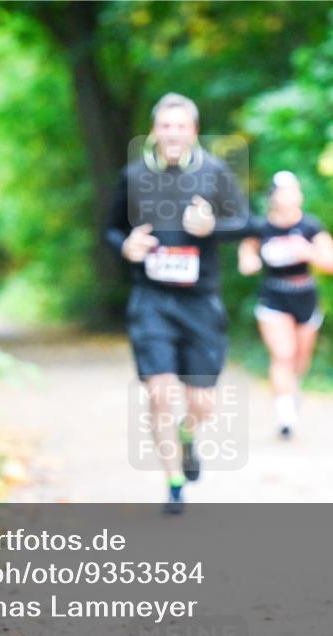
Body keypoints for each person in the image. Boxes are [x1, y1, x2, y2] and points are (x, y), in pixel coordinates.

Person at [104, 93, 250, 514]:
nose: (172, 133)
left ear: (193, 131)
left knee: (201, 402)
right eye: (165, 126)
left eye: (180, 126)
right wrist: (126, 245)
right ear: (154, 131)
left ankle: (188, 436)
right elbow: (111, 229)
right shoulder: (133, 176)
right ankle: (173, 484)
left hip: (200, 301)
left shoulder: (215, 173)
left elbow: (243, 222)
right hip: (151, 299)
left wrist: (210, 227)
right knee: (159, 394)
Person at [237, 171, 333, 438]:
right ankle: (285, 415)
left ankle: (291, 392)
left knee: (299, 359)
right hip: (273, 296)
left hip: (305, 294)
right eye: (285, 191)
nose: (291, 196)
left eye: (295, 190)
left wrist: (308, 251)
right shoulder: (262, 228)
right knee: (283, 354)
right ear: (273, 197)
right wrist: (249, 261)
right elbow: (247, 251)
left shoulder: (310, 226)